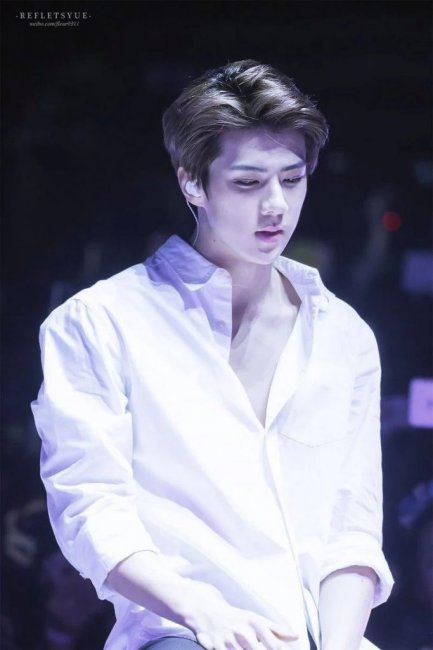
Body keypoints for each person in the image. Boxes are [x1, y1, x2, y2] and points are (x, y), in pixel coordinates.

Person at [31, 59, 394, 650]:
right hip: (179, 631)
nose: (276, 206)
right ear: (192, 184)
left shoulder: (344, 336)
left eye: (292, 179)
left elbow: (351, 529)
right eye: (248, 183)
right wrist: (205, 613)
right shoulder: (99, 323)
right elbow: (90, 510)